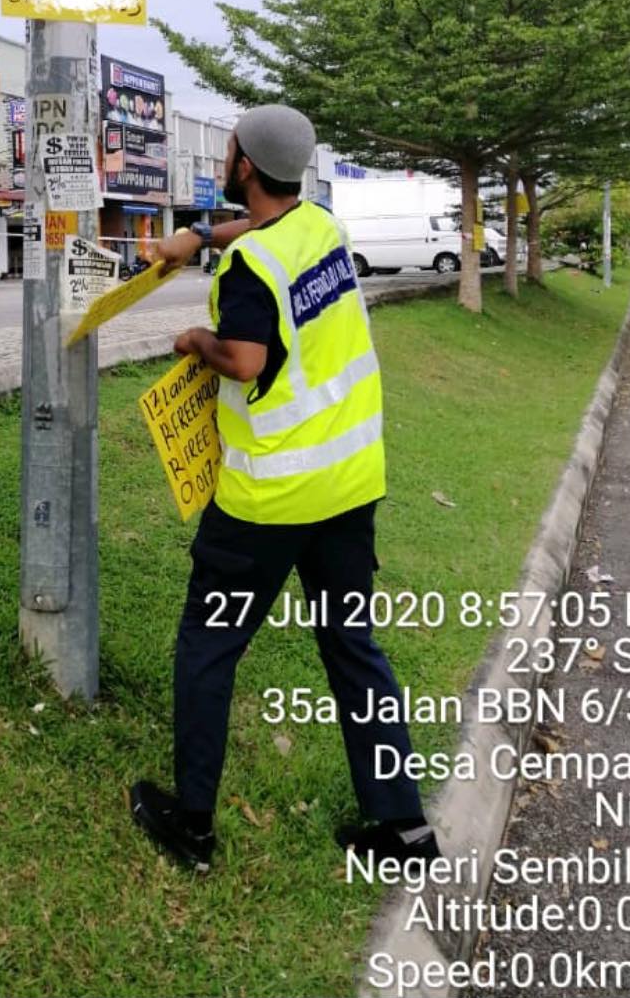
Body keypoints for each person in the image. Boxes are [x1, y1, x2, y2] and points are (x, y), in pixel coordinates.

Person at [130, 104, 439, 873]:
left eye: (228, 147)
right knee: (351, 648)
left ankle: (192, 825)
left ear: (241, 166)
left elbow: (241, 358)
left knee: (208, 645)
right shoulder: (322, 229)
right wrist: (196, 237)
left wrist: (193, 339)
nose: (225, 154)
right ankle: (403, 831)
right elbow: (263, 231)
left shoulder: (251, 272)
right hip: (347, 487)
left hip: (265, 504)